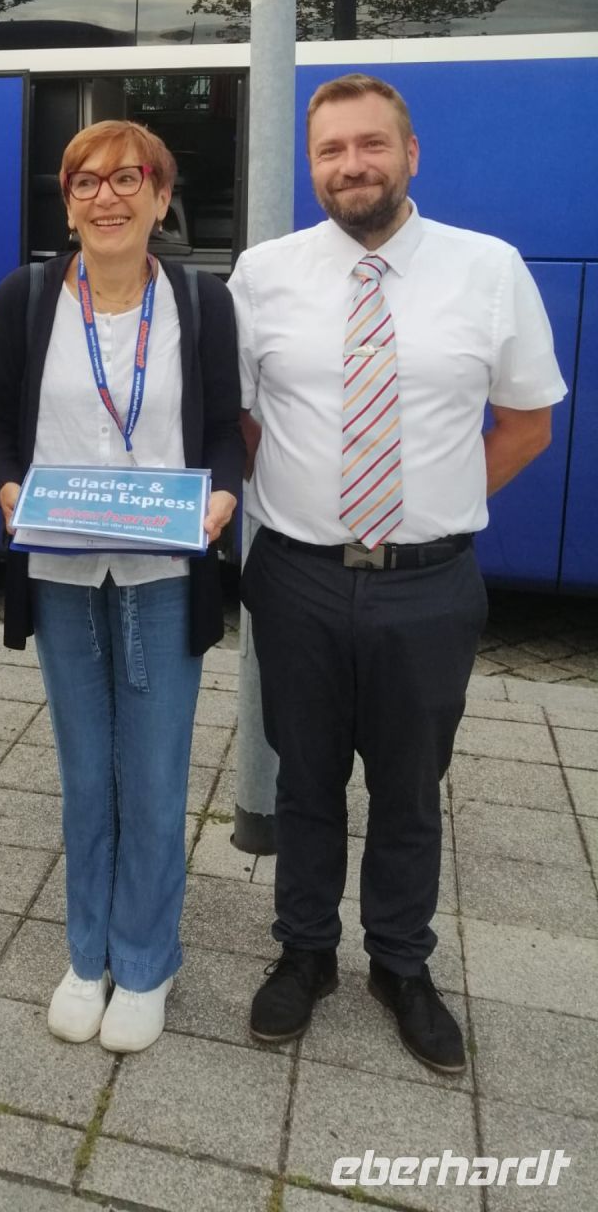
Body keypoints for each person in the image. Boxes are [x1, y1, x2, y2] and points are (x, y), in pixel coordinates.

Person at [229, 72, 566, 1074]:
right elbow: (244, 420)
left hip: (430, 582)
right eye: (331, 150)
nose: (352, 166)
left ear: (411, 154)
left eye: (371, 145)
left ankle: (401, 965)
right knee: (304, 779)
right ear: (312, 165)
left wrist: (436, 502)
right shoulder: (265, 272)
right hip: (295, 574)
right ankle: (304, 953)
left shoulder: (489, 269)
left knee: (413, 788)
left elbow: (526, 424)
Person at [0, 119, 243, 1054]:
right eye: (86, 181)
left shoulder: (202, 304)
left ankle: (144, 961)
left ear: (161, 197)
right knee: (84, 775)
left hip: (163, 570)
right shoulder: (22, 299)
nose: (108, 195)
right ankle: (84, 951)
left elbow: (224, 433)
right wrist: (7, 488)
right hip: (59, 570)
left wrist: (220, 499)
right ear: (67, 201)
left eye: (129, 178)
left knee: (156, 774)